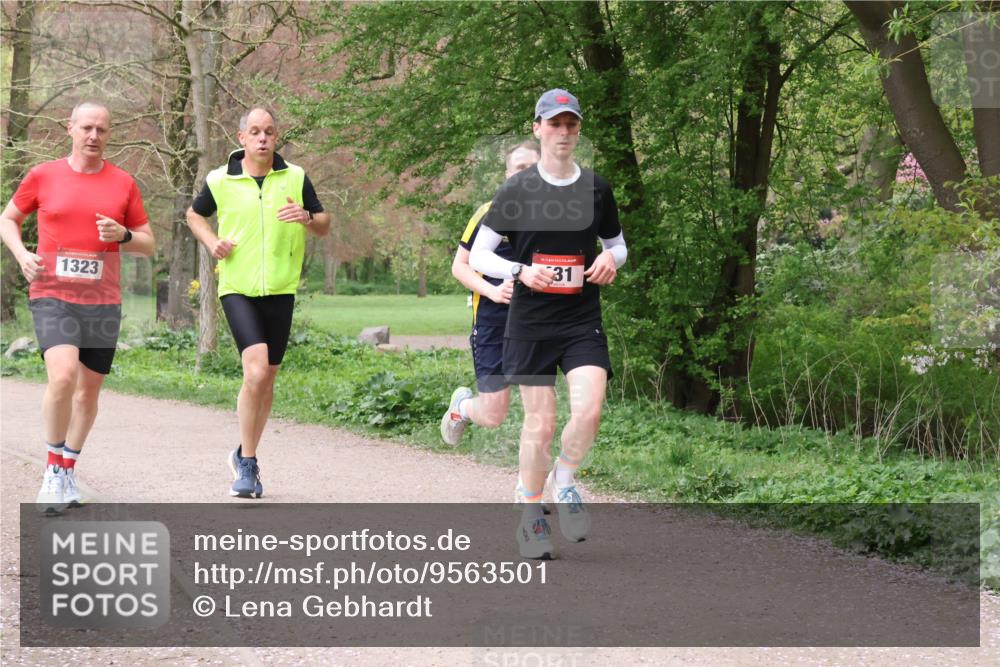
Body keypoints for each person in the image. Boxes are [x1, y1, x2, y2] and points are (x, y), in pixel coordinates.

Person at [469, 89, 627, 559]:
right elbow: (480, 255)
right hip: (531, 321)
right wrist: (519, 270)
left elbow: (618, 245)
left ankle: (566, 477)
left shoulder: (596, 188)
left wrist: (609, 260)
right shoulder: (517, 190)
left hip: (581, 317)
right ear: (537, 129)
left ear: (578, 131)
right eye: (554, 124)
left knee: (590, 410)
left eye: (570, 124)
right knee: (540, 422)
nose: (563, 132)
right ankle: (530, 513)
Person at [0, 102, 156, 513]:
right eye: (86, 127)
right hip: (52, 294)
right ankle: (52, 470)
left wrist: (123, 234)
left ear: (109, 134)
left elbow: (148, 242)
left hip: (102, 300)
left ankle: (68, 469)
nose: (93, 136)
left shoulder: (123, 183)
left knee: (88, 393)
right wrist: (21, 254)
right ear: (69, 128)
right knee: (64, 376)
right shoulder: (43, 175)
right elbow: (8, 219)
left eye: (102, 130)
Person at [186, 107, 330, 498]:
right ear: (242, 138)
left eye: (268, 131)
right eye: (255, 132)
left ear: (276, 137)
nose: (262, 138)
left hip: (282, 288)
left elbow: (324, 223)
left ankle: (243, 451)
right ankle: (247, 464)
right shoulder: (220, 180)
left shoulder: (295, 176)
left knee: (267, 379)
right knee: (255, 371)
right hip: (237, 287)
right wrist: (212, 241)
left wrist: (305, 217)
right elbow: (194, 215)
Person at [441, 141, 539, 443]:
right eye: (519, 168)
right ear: (508, 174)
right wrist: (493, 292)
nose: (526, 174)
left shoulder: (556, 214)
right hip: (492, 320)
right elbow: (460, 266)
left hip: (536, 321)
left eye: (533, 168)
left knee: (539, 405)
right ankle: (462, 408)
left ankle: (533, 479)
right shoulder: (490, 212)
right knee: (494, 415)